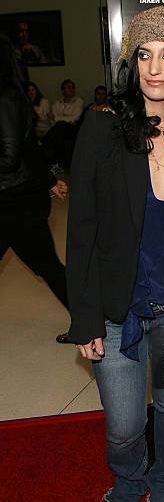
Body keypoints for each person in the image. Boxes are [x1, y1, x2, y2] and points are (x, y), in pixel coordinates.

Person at [66, 6, 164, 502]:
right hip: (116, 307)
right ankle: (127, 482)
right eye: (143, 55)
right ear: (131, 63)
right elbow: (81, 228)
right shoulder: (102, 129)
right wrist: (82, 318)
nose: (154, 67)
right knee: (124, 425)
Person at [0, 34, 69, 336]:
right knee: (50, 267)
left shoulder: (4, 97)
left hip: (14, 203)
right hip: (18, 199)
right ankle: (89, 319)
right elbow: (31, 149)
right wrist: (50, 179)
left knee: (50, 268)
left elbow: (10, 156)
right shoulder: (12, 94)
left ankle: (90, 321)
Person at [41, 79, 83, 169]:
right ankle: (58, 164)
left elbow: (75, 118)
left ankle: (43, 141)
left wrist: (57, 118)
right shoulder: (56, 103)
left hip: (72, 130)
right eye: (68, 87)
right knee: (59, 132)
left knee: (61, 125)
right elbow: (52, 121)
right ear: (63, 91)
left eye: (72, 87)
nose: (71, 89)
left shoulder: (78, 101)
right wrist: (65, 119)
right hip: (59, 130)